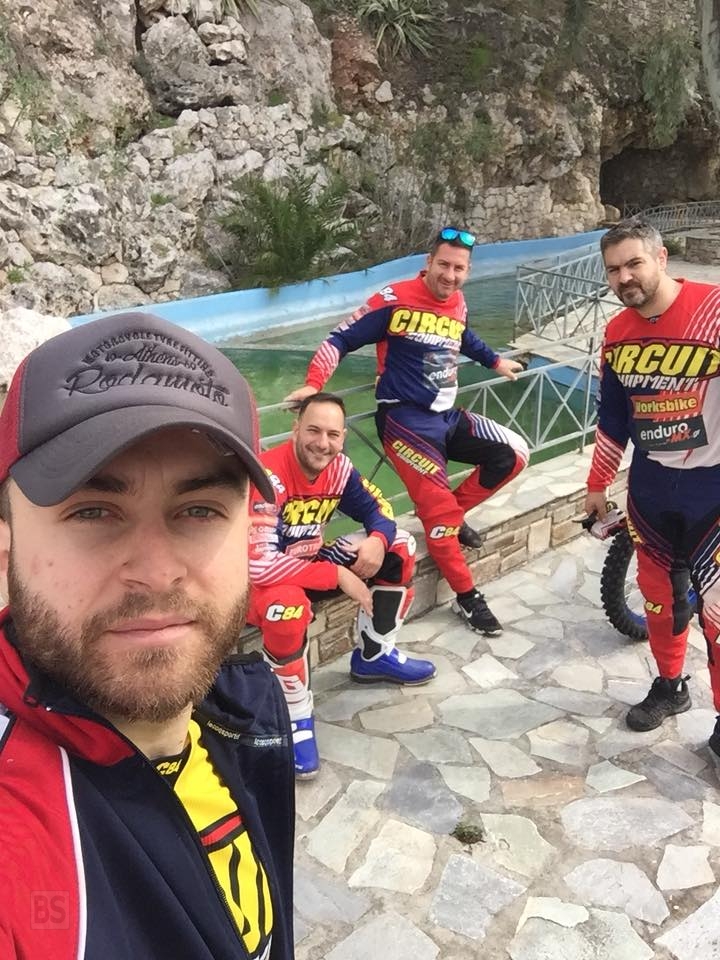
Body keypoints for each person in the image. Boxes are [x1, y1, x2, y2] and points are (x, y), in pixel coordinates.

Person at [0, 312, 295, 959]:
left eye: (199, 510)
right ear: (6, 549)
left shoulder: (240, 707)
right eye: (93, 511)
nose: (158, 572)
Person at [285, 227, 529, 637]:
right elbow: (339, 339)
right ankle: (468, 597)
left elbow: (462, 336)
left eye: (459, 269)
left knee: (514, 453)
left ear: (467, 272)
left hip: (446, 418)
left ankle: (448, 515)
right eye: (444, 265)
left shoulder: (457, 302)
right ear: (428, 263)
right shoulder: (393, 299)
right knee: (440, 521)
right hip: (405, 424)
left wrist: (495, 361)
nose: (450, 275)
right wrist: (314, 384)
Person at [584, 216, 720, 752]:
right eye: (613, 270)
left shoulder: (713, 309)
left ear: (661, 259)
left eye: (634, 263)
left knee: (716, 613)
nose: (625, 278)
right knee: (660, 600)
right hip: (651, 489)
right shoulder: (616, 333)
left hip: (713, 489)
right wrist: (598, 483)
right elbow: (613, 416)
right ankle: (670, 686)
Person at [247, 392, 435, 778]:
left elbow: (379, 510)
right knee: (286, 608)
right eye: (313, 431)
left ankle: (374, 655)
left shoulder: (339, 468)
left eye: (333, 434)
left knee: (399, 546)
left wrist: (377, 540)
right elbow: (259, 564)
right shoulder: (267, 477)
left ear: (343, 437)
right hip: (263, 582)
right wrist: (337, 575)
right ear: (295, 429)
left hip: (310, 561)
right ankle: (295, 716)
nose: (322, 443)